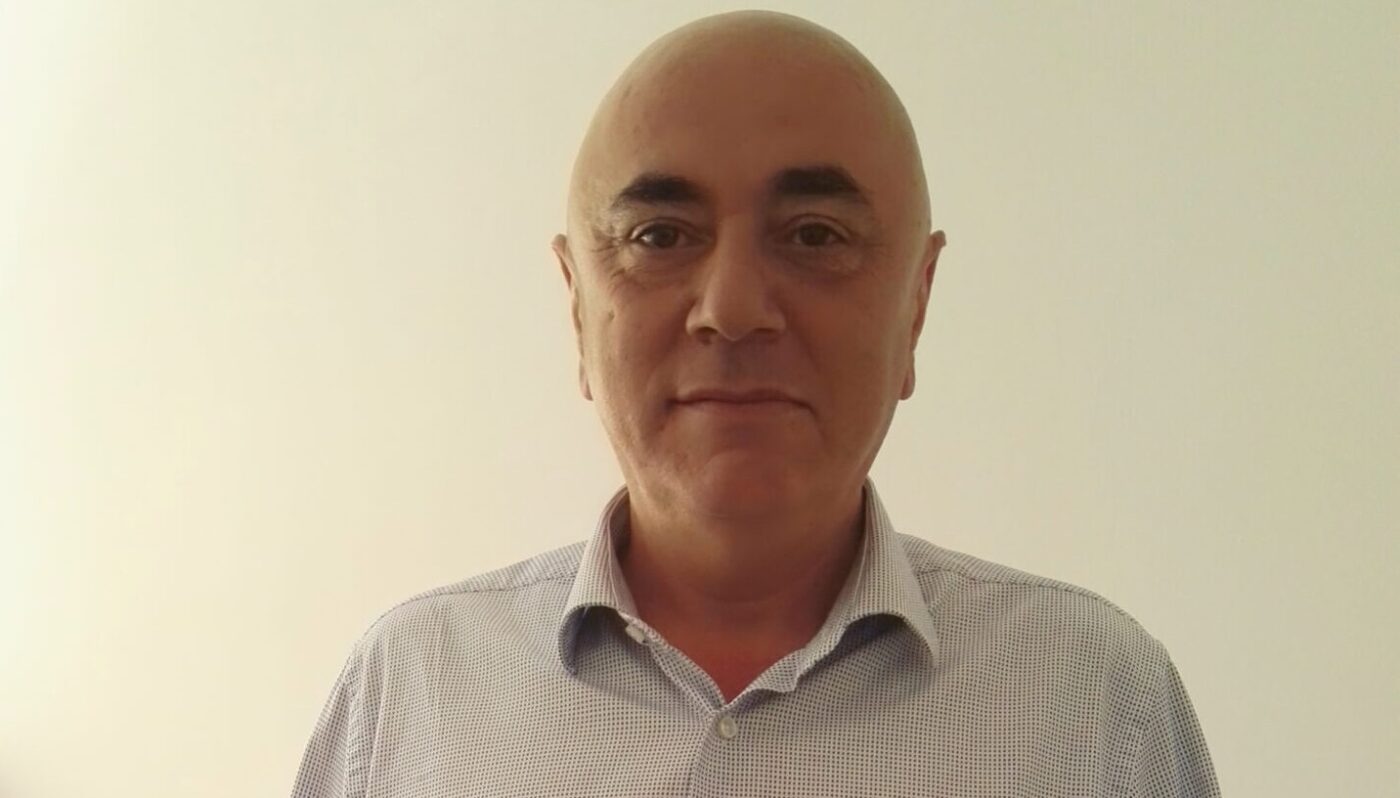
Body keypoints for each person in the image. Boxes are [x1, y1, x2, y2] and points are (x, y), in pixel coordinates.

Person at [291, 10, 1220, 797]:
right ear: (577, 306)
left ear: (917, 303)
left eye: (815, 235)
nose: (732, 309)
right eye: (660, 236)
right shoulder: (410, 695)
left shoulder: (1095, 704)